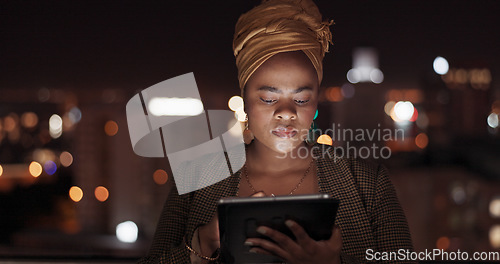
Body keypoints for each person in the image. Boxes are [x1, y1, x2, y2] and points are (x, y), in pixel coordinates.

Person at [139, 0, 413, 263]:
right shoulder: (196, 180)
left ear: (316, 101)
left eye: (302, 99)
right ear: (244, 100)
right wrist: (203, 244)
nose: (286, 112)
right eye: (269, 99)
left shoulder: (366, 183)